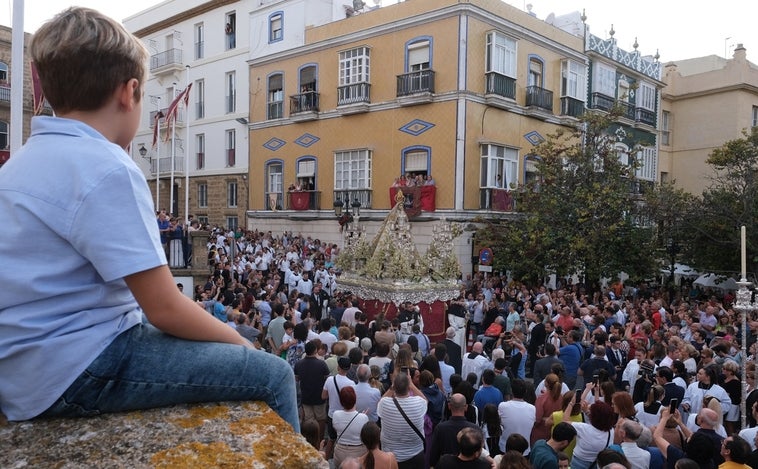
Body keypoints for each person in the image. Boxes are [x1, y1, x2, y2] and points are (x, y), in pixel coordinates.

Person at [0, 7, 299, 431]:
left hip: (23, 373)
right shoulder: (107, 167)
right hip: (73, 371)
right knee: (274, 376)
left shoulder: (18, 163)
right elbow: (163, 308)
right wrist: (243, 347)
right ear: (130, 92)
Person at [376, 372, 428, 469]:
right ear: (408, 388)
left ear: (394, 388)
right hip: (415, 455)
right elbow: (424, 399)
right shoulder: (419, 403)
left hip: (390, 456)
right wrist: (411, 384)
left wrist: (392, 386)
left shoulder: (384, 403)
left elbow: (380, 401)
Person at [429, 393, 480, 466]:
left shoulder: (440, 428)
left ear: (449, 406)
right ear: (466, 407)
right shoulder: (475, 429)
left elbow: (434, 456)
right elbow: (480, 454)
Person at [332, 387, 370, 468]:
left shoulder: (335, 414)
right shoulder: (363, 418)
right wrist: (363, 416)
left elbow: (336, 429)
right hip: (359, 453)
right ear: (355, 399)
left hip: (340, 453)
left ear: (341, 401)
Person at [498, 379, 536, 454]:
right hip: (523, 450)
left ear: (512, 391)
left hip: (506, 448)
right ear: (525, 392)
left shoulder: (503, 406)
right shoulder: (532, 408)